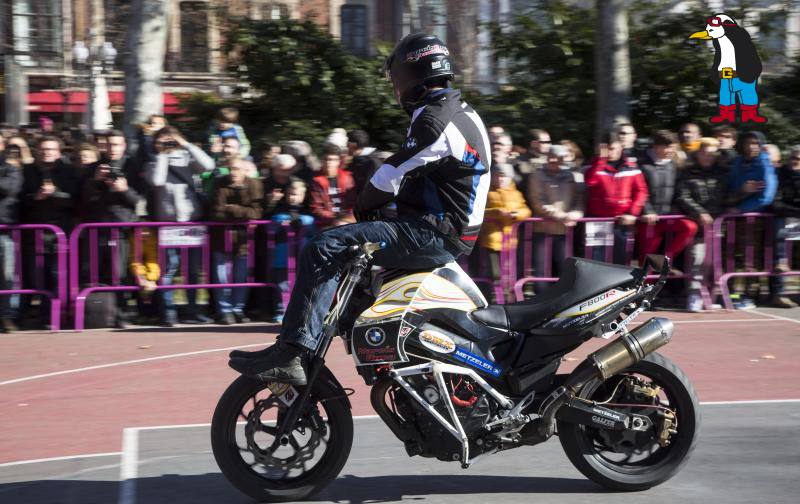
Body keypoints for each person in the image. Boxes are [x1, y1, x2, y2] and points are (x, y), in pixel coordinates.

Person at [228, 32, 491, 385]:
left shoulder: (434, 121)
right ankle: (373, 351)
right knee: (358, 263)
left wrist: (365, 209)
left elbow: (389, 176)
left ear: (409, 76)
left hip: (434, 233)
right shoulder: (460, 111)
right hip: (439, 227)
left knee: (325, 246)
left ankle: (293, 350)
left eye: (395, 79)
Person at [146, 126, 215, 326]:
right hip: (168, 223)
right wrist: (162, 155)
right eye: (163, 139)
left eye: (171, 138)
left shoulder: (187, 156)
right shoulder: (154, 160)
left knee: (193, 270)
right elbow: (157, 181)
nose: (168, 142)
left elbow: (209, 165)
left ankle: (193, 311)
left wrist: (185, 145)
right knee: (168, 269)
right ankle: (168, 312)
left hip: (192, 221)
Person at [20, 136, 79, 327]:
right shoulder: (27, 171)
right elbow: (19, 200)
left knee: (57, 276)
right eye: (43, 149)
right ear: (37, 151)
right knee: (36, 277)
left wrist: (55, 194)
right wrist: (35, 197)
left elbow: (75, 200)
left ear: (59, 152)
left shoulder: (68, 171)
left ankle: (56, 318)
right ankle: (35, 315)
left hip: (59, 233)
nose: (47, 152)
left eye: (51, 149)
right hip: (33, 233)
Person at [725, 130, 777, 309]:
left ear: (761, 145)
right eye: (748, 142)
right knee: (732, 258)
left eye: (755, 143)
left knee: (750, 259)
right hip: (734, 219)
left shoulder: (764, 163)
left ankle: (749, 296)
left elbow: (766, 196)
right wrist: (740, 193)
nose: (751, 146)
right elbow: (730, 188)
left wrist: (740, 208)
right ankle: (732, 294)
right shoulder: (738, 162)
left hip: (754, 220)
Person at [675, 138, 728, 312]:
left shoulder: (722, 173)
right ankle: (694, 295)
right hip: (698, 224)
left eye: (711, 153)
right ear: (698, 153)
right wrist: (699, 213)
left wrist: (743, 192)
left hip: (717, 224)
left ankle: (710, 297)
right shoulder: (688, 172)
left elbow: (727, 197)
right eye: (704, 152)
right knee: (697, 258)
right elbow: (683, 196)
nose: (707, 156)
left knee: (714, 263)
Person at [210, 162, 263, 324]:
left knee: (241, 275)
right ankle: (224, 310)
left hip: (244, 240)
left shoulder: (254, 185)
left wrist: (232, 208)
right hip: (221, 237)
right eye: (231, 168)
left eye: (237, 169)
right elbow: (217, 212)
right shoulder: (220, 183)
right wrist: (243, 213)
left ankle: (237, 309)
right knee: (221, 276)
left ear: (245, 171)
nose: (233, 172)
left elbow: (256, 212)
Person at [585, 134, 649, 264]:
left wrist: (632, 213)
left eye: (612, 148)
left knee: (621, 259)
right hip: (598, 221)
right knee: (596, 260)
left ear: (620, 147)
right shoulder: (596, 165)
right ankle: (599, 285)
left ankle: (619, 285)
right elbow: (589, 181)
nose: (609, 152)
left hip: (622, 221)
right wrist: (600, 160)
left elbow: (641, 191)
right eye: (606, 149)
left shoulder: (632, 167)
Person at [637, 130, 698, 266]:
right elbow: (640, 191)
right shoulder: (642, 165)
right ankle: (645, 283)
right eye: (667, 146)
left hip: (668, 217)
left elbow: (678, 191)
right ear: (656, 147)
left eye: (673, 146)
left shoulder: (674, 165)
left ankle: (662, 261)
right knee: (645, 262)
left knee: (689, 227)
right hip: (648, 220)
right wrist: (647, 211)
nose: (670, 150)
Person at [528, 144, 584, 291]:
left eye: (558, 157)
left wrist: (577, 213)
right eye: (551, 156)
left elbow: (579, 200)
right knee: (541, 270)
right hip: (543, 229)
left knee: (564, 268)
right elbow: (538, 201)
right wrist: (561, 215)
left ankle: (562, 300)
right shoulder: (537, 175)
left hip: (565, 231)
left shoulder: (573, 176)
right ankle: (540, 302)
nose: (554, 160)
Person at [477, 162, 531, 301]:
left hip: (510, 240)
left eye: (505, 176)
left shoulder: (516, 193)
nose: (501, 179)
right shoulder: (486, 192)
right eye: (498, 176)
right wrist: (497, 212)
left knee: (510, 273)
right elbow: (480, 212)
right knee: (495, 274)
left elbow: (526, 210)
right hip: (492, 241)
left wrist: (517, 214)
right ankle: (492, 299)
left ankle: (507, 300)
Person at [767, 145, 800, 308]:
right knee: (780, 234)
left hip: (795, 219)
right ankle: (778, 293)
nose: (796, 161)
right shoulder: (780, 174)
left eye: (799, 159)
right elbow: (776, 203)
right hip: (785, 218)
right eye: (793, 158)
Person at [0, 141, 23, 332]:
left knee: (7, 275)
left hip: (4, 229)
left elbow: (8, 189)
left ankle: (7, 315)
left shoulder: (10, 170)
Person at [310, 144, 356, 229]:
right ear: (322, 160)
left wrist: (345, 219)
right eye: (326, 159)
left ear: (339, 161)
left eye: (333, 160)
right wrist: (334, 219)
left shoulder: (347, 177)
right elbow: (316, 208)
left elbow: (352, 204)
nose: (329, 163)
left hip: (346, 220)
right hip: (325, 222)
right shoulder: (316, 180)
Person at [346, 130, 380, 195]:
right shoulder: (356, 160)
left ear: (352, 145)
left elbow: (367, 190)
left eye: (347, 143)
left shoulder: (372, 163)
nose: (346, 147)